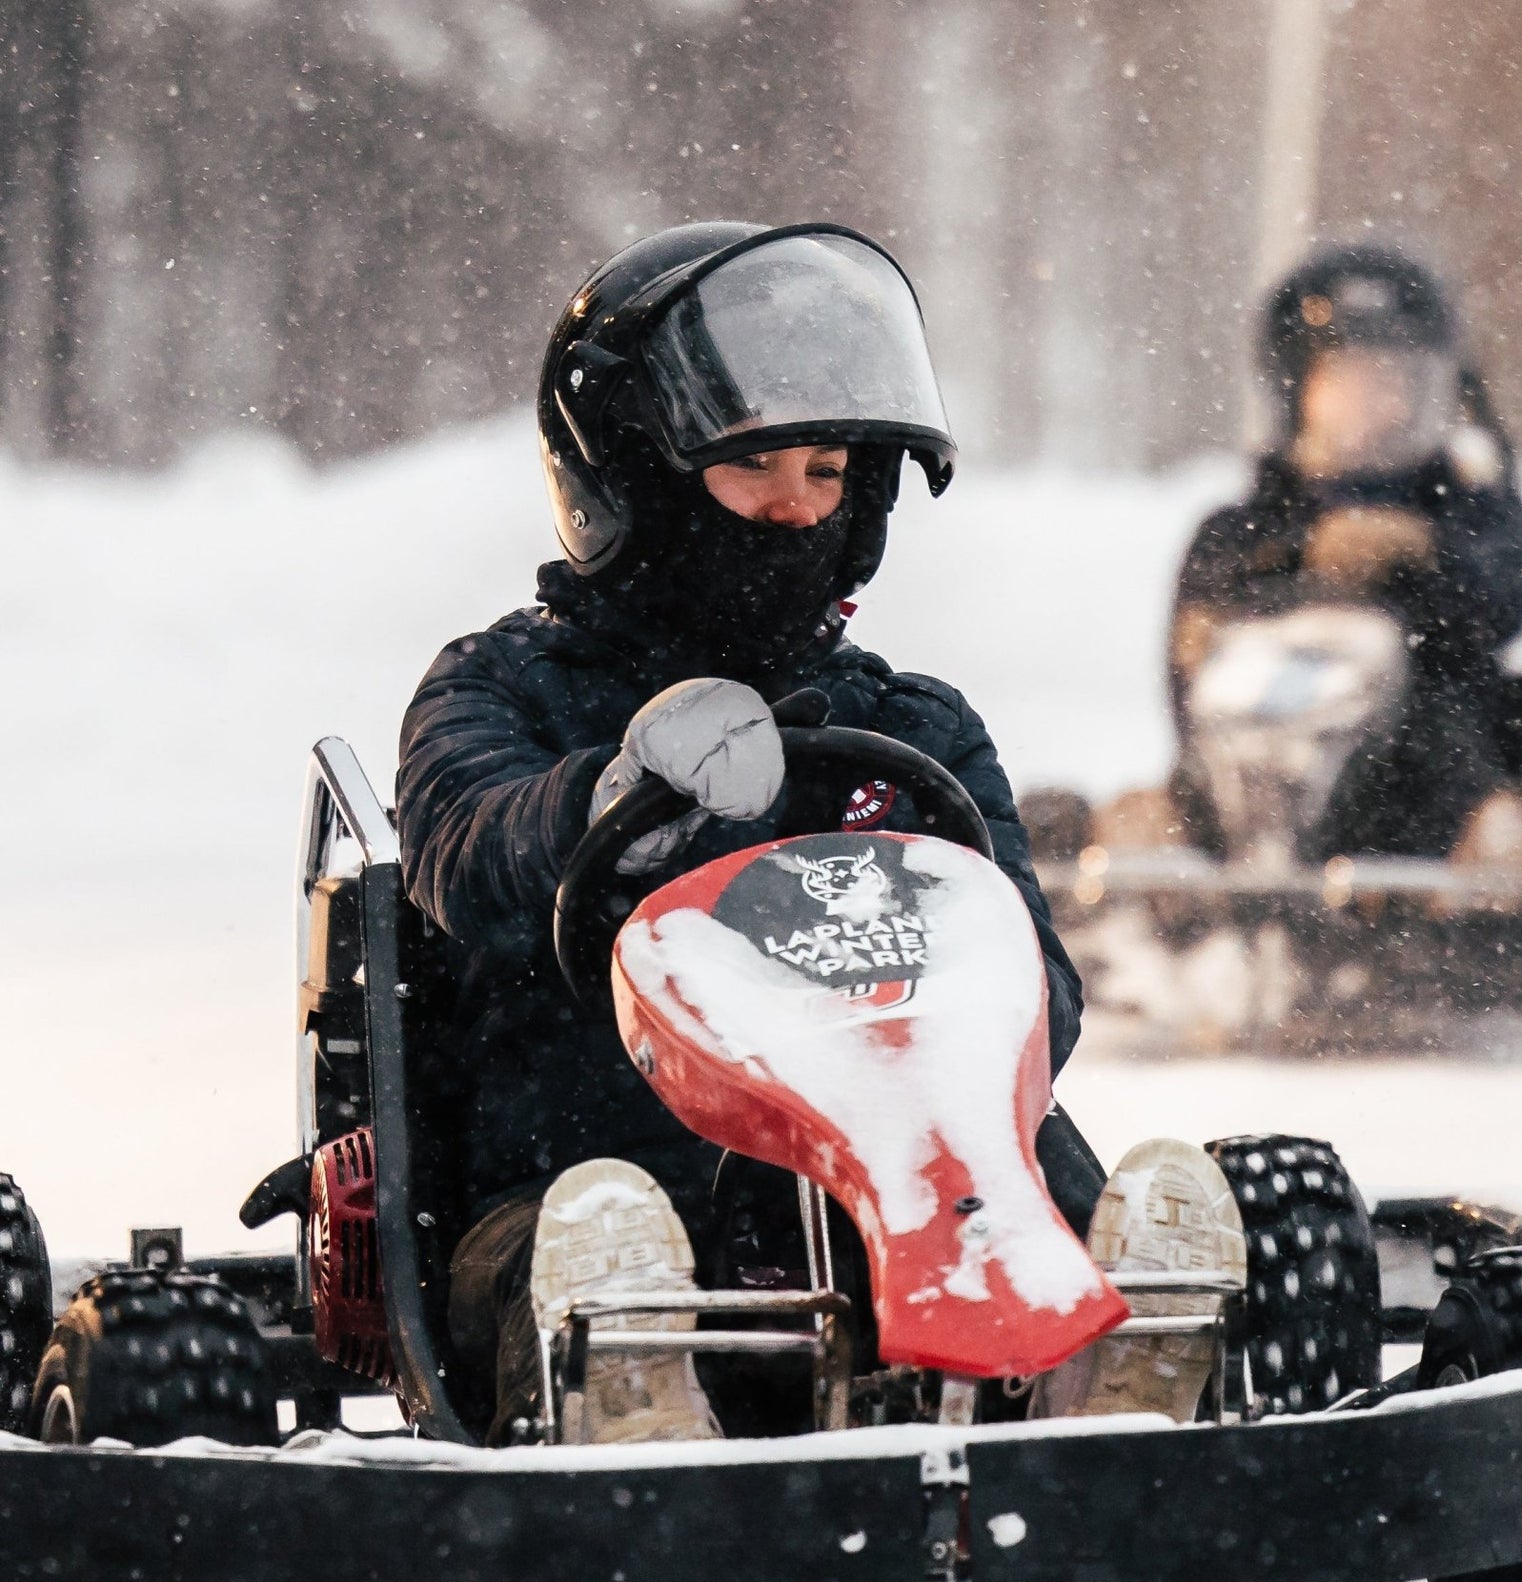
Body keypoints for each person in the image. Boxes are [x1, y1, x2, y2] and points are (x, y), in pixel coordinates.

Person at [396, 222, 1092, 1441]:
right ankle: (635, 1401)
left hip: (901, 1192)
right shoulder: (501, 688)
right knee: (600, 1234)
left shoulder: (910, 727)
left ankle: (1119, 1361)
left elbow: (1043, 986)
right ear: (634, 477)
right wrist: (608, 798)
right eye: (754, 466)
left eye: (826, 473)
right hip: (577, 1180)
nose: (792, 511)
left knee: (1048, 1167)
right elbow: (462, 854)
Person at [1168, 243, 1522, 870]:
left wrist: (1419, 558)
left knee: (1495, 826)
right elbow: (1191, 662)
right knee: (1123, 825)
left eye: (1412, 383)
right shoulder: (1240, 531)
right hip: (1239, 804)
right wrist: (1295, 567)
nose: (1396, 406)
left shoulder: (1473, 517)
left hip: (1427, 812)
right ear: (1301, 391)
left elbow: (1508, 603)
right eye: (1368, 382)